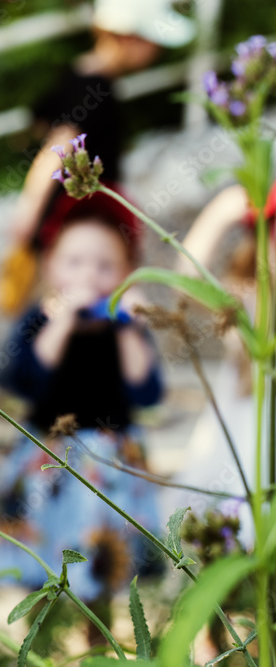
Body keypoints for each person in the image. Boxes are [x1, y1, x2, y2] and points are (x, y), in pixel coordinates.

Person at [0, 190, 164, 638]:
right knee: (39, 563)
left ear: (126, 275)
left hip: (109, 462)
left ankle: (98, 638)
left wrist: (131, 326)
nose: (89, 275)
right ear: (50, 268)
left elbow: (146, 391)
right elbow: (23, 382)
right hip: (49, 457)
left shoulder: (123, 329)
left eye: (106, 266)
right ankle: (38, 639)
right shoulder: (39, 321)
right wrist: (60, 323)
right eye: (75, 263)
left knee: (104, 563)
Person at [0, 0, 195, 315]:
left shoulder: (76, 72)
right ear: (128, 37)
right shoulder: (96, 88)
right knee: (68, 306)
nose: (155, 51)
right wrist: (30, 209)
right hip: (75, 222)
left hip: (66, 218)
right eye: (150, 41)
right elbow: (60, 145)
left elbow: (39, 118)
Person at [161, 182, 276, 549]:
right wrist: (222, 212)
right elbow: (188, 281)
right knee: (226, 524)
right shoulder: (247, 297)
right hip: (241, 435)